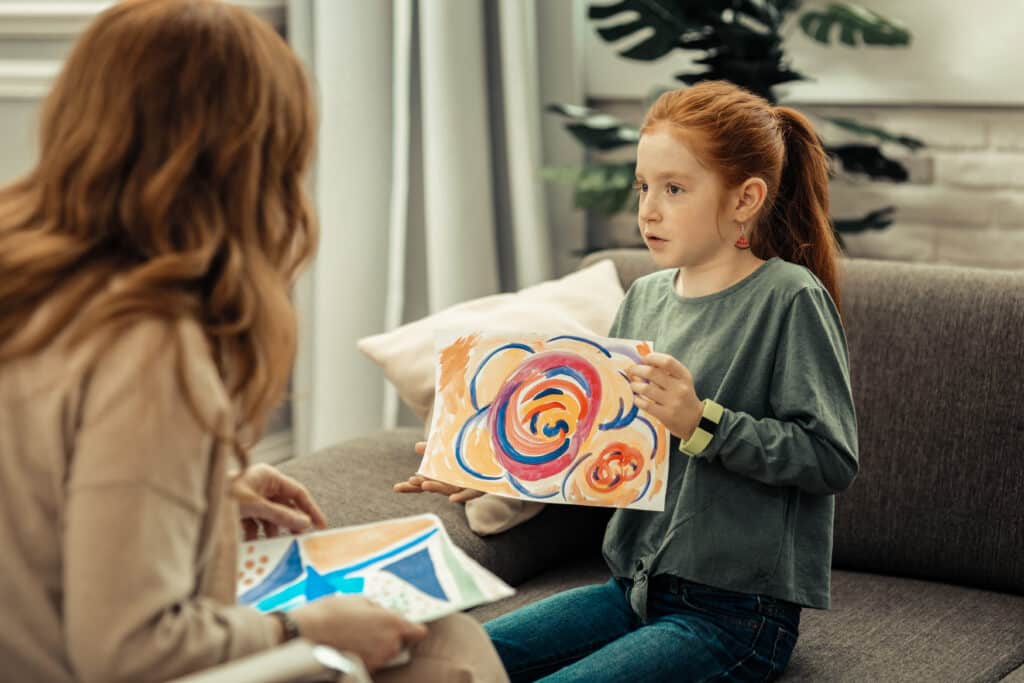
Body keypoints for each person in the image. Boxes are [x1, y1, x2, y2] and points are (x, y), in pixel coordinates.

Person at [0, 1, 507, 681]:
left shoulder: (26, 265)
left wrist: (206, 489)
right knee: (444, 647)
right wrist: (303, 624)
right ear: (253, 167)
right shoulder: (150, 350)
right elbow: (126, 649)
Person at [401, 80, 859, 682]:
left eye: (674, 189)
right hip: (630, 592)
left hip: (736, 617)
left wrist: (701, 423)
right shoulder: (644, 297)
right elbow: (595, 450)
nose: (648, 208)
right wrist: (483, 464)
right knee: (443, 663)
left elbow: (830, 458)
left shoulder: (789, 297)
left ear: (745, 198)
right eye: (643, 186)